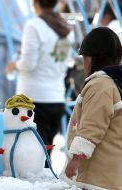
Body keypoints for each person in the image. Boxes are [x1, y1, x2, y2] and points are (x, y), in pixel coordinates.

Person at [5, 0, 74, 161]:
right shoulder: (66, 28)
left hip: (32, 99)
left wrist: (13, 65)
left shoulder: (34, 25)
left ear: (34, 3)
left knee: (30, 158)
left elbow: (28, 64)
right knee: (45, 156)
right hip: (57, 97)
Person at [60, 27, 122, 189]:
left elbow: (92, 126)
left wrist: (76, 159)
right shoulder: (116, 82)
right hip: (112, 174)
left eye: (84, 57)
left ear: (93, 58)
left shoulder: (100, 85)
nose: (84, 62)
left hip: (98, 176)